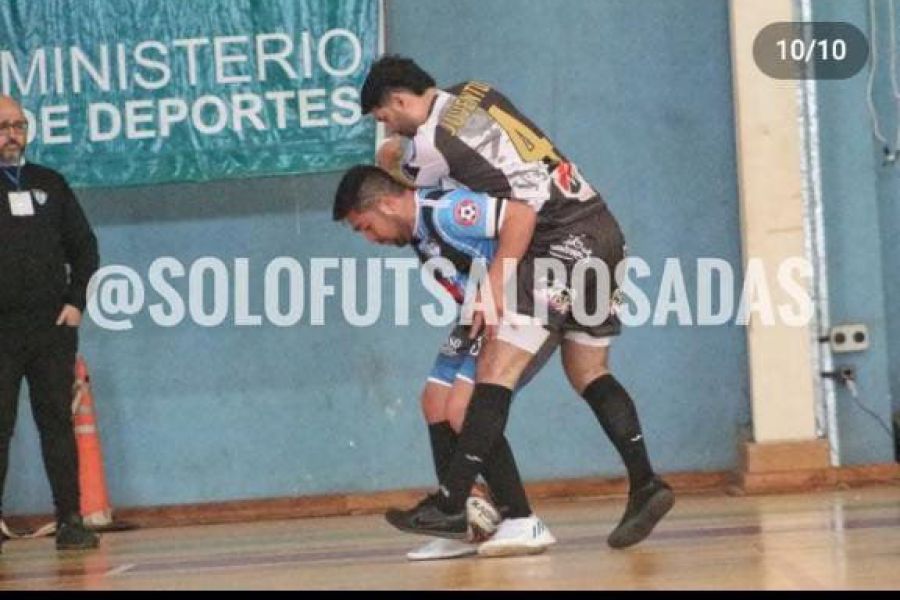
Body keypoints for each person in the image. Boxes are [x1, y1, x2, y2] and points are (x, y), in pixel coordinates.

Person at [359, 56, 673, 549]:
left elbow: (398, 173)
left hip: (560, 240)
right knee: (588, 371)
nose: (387, 128)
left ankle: (453, 505)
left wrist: (496, 280)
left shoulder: (434, 143)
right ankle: (646, 483)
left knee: (494, 370)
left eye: (384, 117)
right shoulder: (474, 90)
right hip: (604, 231)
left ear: (399, 100)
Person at [334, 165, 557, 559]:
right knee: (434, 402)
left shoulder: (445, 211)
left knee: (461, 409)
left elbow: (521, 216)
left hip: (514, 302)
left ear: (386, 204)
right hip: (474, 314)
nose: (370, 239)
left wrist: (494, 288)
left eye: (365, 227)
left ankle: (522, 518)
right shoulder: (418, 230)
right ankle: (465, 524)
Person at [0, 95, 100, 552]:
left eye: (19, 124)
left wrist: (75, 301)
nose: (12, 134)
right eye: (3, 126)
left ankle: (70, 520)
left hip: (49, 327)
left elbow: (84, 246)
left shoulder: (49, 183)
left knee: (56, 424)